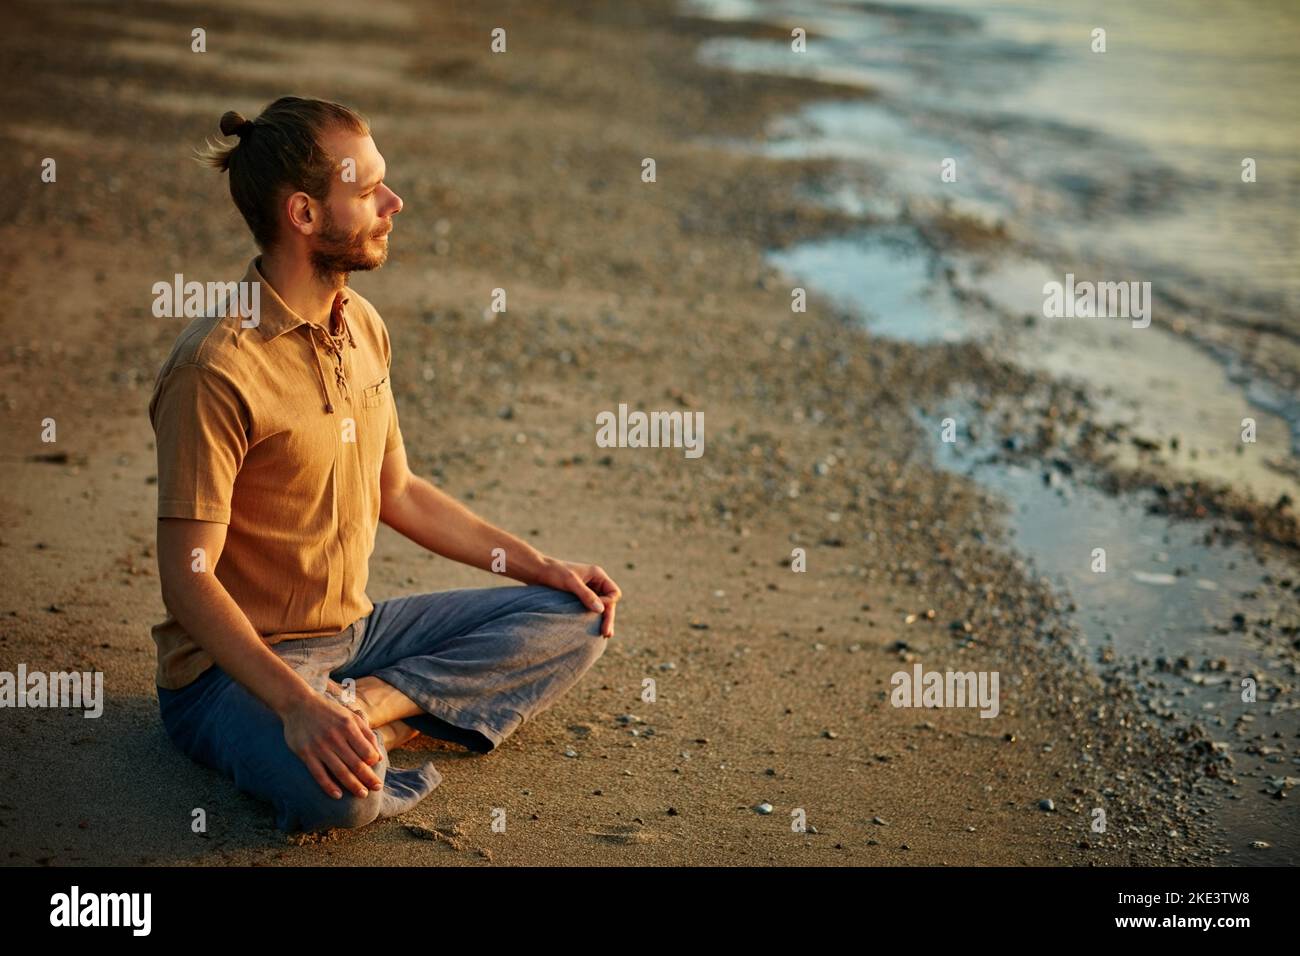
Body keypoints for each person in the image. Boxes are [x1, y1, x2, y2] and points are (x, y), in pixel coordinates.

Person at [148, 95, 621, 833]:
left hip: (355, 637)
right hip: (232, 674)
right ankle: (362, 726)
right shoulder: (216, 368)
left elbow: (397, 490)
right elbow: (188, 578)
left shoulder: (361, 323)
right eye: (368, 191)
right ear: (304, 215)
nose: (394, 203)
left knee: (577, 615)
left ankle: (373, 709)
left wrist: (539, 565)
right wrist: (299, 704)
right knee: (345, 799)